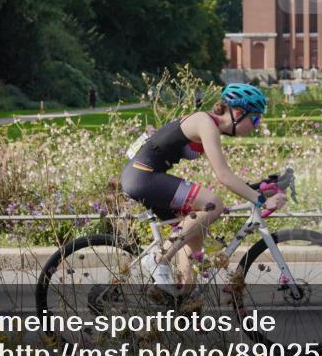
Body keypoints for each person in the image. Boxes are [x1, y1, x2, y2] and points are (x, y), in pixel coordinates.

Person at [120, 83, 287, 293]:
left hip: (145, 176)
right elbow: (223, 176)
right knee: (213, 204)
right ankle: (158, 259)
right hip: (143, 176)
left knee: (193, 240)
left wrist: (257, 188)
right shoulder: (205, 123)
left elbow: (226, 173)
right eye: (255, 119)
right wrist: (261, 200)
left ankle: (182, 300)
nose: (256, 126)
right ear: (238, 112)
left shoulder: (210, 125)